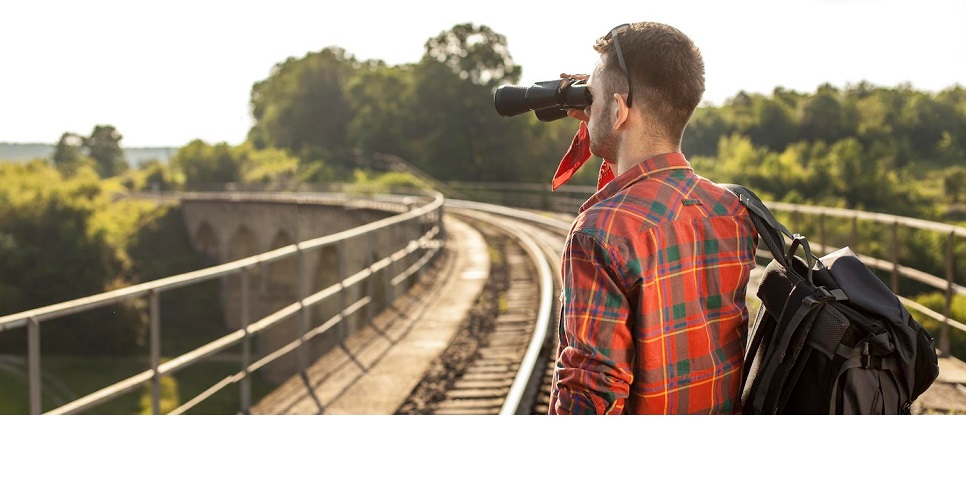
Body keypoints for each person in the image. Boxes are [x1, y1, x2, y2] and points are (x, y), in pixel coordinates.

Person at [548, 21, 760, 414]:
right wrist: (605, 110)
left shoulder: (600, 234)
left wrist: (603, 116)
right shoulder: (730, 211)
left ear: (618, 108)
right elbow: (643, 194)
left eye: (592, 99)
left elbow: (591, 398)